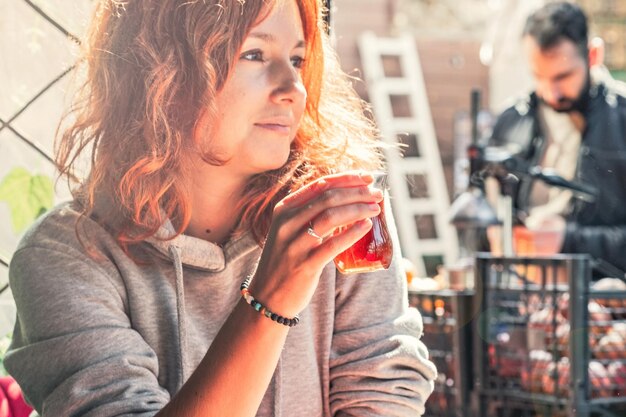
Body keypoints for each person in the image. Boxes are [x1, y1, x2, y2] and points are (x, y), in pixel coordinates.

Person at [4, 0, 436, 416]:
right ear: (161, 72)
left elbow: (383, 400)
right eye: (254, 54)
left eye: (298, 59)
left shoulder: (339, 224)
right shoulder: (67, 256)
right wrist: (270, 301)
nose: (293, 89)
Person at [487, 1, 626, 276]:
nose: (551, 93)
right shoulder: (511, 121)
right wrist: (494, 233)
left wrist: (570, 239)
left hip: (607, 303)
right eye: (539, 76)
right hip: (521, 299)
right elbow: (478, 215)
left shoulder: (622, 120)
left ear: (593, 55)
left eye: (563, 76)